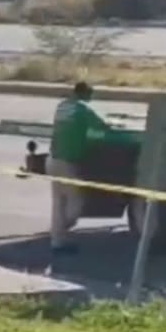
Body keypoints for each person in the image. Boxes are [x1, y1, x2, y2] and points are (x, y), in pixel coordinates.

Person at [48, 81, 106, 255]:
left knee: (59, 202)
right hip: (67, 162)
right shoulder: (83, 109)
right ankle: (61, 232)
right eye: (91, 95)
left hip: (52, 159)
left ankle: (57, 240)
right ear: (85, 94)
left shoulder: (62, 106)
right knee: (76, 202)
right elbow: (101, 125)